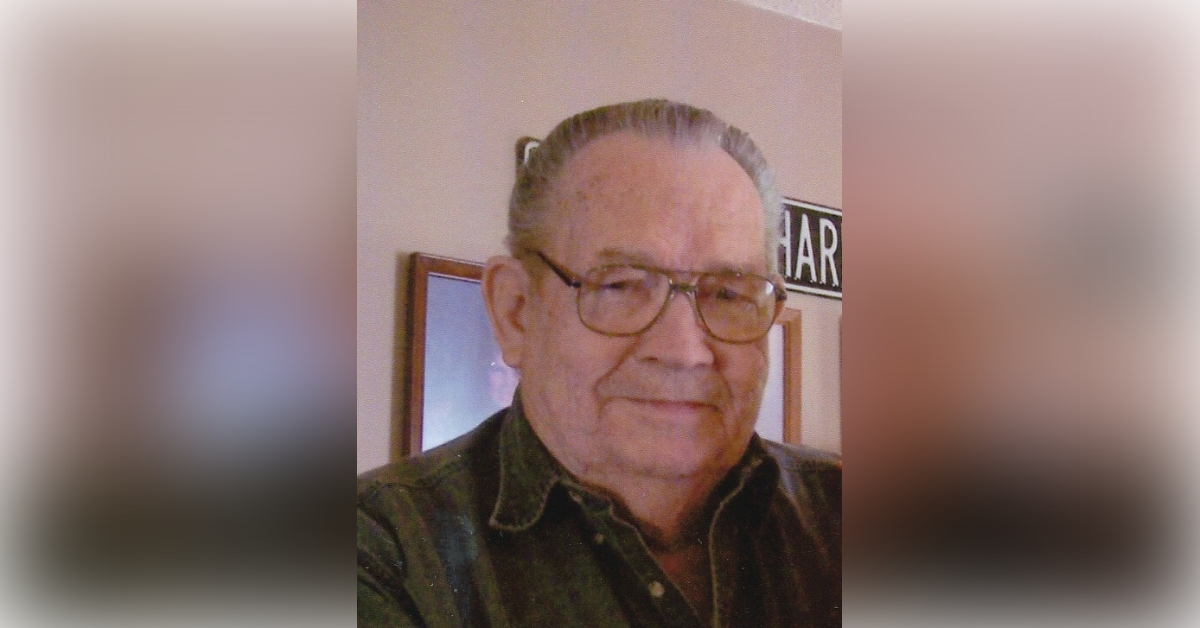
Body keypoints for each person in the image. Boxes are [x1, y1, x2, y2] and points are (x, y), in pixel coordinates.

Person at [357, 100, 841, 627]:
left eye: (728, 293)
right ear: (516, 312)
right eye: (620, 287)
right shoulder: (382, 554)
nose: (683, 352)